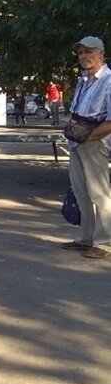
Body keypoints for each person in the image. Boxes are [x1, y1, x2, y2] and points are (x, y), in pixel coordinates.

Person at [60, 36, 111, 259]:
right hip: (77, 142)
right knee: (81, 192)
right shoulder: (83, 80)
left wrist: (88, 136)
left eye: (88, 51)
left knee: (100, 194)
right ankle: (85, 238)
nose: (83, 56)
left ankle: (104, 242)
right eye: (80, 52)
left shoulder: (108, 81)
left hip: (95, 143)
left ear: (101, 54)